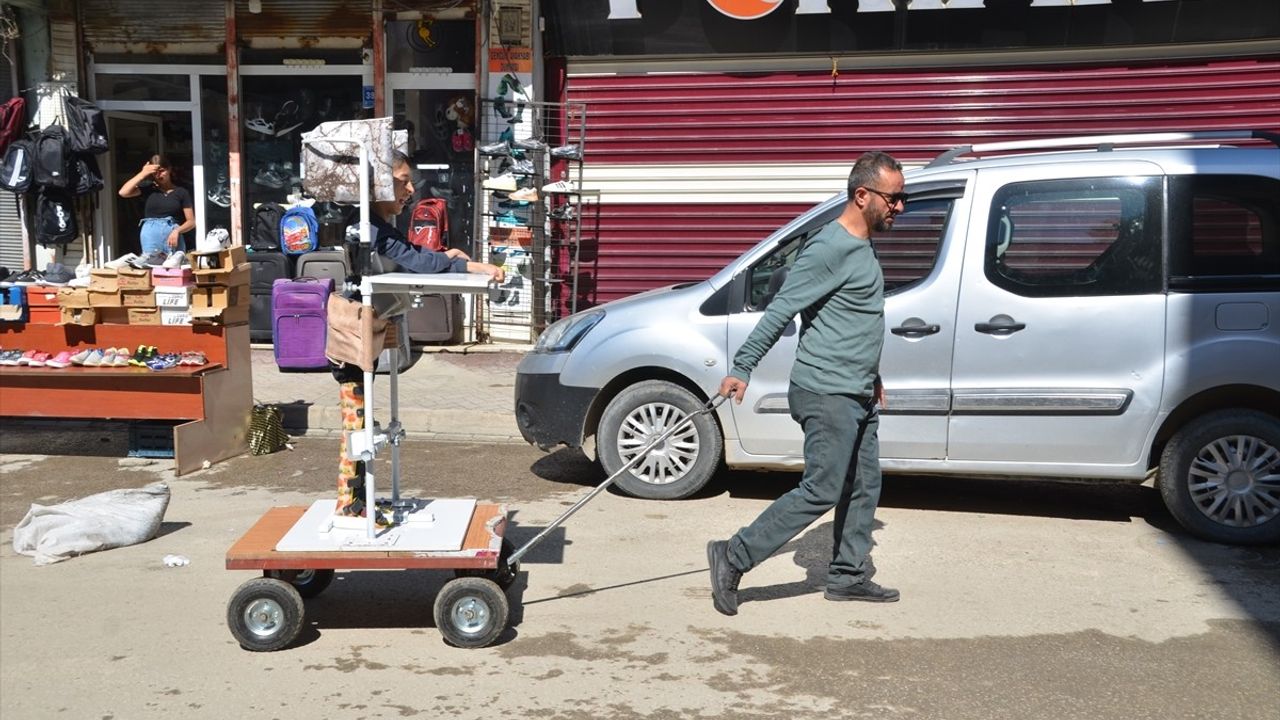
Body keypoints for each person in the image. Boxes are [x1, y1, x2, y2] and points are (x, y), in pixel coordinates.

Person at [706, 151, 905, 616]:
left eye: (902, 197)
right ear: (862, 195)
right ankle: (733, 556)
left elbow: (849, 320)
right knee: (822, 487)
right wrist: (743, 367)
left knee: (863, 486)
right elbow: (781, 309)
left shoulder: (861, 245)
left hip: (855, 390)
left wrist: (871, 376)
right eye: (894, 199)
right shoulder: (828, 248)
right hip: (825, 392)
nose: (900, 207)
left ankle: (847, 576)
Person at [334, 150, 504, 521]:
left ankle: (357, 498)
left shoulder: (374, 222)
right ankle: (350, 503)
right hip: (354, 334)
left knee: (361, 418)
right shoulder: (368, 225)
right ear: (378, 183)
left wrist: (447, 259)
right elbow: (416, 260)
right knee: (356, 419)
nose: (410, 189)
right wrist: (467, 265)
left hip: (367, 328)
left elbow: (411, 254)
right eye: (402, 181)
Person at [118, 154, 195, 258]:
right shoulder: (149, 189)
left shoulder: (181, 192)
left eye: (162, 171)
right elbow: (123, 192)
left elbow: (191, 222)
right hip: (151, 237)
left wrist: (177, 231)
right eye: (155, 173)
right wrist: (143, 173)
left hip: (172, 238)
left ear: (169, 169)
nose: (159, 175)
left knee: (174, 268)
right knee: (152, 268)